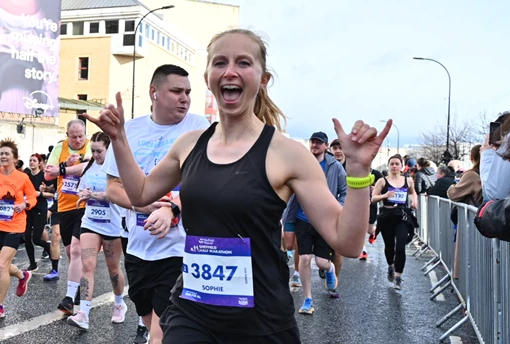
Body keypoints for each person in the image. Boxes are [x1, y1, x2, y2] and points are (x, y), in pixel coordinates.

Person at [86, 29, 389, 343]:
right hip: (193, 311)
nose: (230, 71)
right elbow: (140, 193)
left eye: (243, 63)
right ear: (209, 77)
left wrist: (358, 172)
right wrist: (120, 140)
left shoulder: (288, 154)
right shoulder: (189, 144)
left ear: (263, 79)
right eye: (220, 63)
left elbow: (348, 243)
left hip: (262, 320)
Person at [99, 64, 211, 344]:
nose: (184, 98)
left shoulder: (199, 127)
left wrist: (171, 207)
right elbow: (112, 188)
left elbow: (204, 182)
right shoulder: (130, 131)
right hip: (137, 246)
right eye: (176, 91)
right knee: (149, 320)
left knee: (161, 332)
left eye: (187, 92)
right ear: (154, 93)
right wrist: (143, 204)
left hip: (180, 247)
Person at [66, 132, 128, 330]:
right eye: (92, 151)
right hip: (90, 222)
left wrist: (99, 195)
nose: (96, 154)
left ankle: (119, 303)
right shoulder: (88, 166)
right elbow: (80, 189)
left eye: (99, 151)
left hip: (112, 224)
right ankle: (83, 312)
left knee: (112, 268)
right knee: (87, 265)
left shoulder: (118, 167)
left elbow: (123, 195)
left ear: (108, 149)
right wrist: (83, 194)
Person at [284, 132, 346, 312]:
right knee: (303, 258)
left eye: (319, 143)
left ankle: (329, 269)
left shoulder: (334, 166)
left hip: (325, 220)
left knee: (321, 262)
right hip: (302, 218)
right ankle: (308, 299)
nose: (315, 145)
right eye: (313, 142)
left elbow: (344, 191)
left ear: (326, 146)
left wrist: (337, 208)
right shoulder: (302, 163)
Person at [0, 139, 36, 321]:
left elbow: (32, 197)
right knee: (5, 266)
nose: (3, 156)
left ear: (15, 159)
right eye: (1, 153)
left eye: (7, 154)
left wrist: (24, 204)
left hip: (16, 226)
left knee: (2, 266)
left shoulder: (22, 178)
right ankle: (22, 275)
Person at [43, 119, 92, 313]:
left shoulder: (90, 146)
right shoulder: (59, 148)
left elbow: (86, 167)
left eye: (81, 135)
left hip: (85, 204)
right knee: (71, 252)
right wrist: (63, 164)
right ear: (67, 135)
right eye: (74, 136)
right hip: (64, 206)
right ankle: (77, 285)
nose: (78, 140)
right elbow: (47, 175)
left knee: (77, 250)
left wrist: (61, 169)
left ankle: (69, 297)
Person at [371, 155, 418, 290]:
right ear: (388, 165)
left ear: (402, 166)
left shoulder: (408, 180)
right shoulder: (382, 181)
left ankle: (398, 277)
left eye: (397, 164)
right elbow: (373, 198)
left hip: (401, 216)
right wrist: (384, 196)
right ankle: (390, 265)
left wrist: (415, 200)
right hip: (387, 216)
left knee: (401, 247)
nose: (394, 166)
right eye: (392, 164)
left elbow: (412, 192)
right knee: (389, 246)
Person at [24, 153, 54, 271]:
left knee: (36, 239)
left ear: (39, 163)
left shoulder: (44, 176)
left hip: (40, 209)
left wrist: (40, 193)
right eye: (30, 160)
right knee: (26, 237)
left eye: (34, 160)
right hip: (28, 209)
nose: (32, 162)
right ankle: (32, 263)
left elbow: (52, 194)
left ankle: (48, 247)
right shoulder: (26, 176)